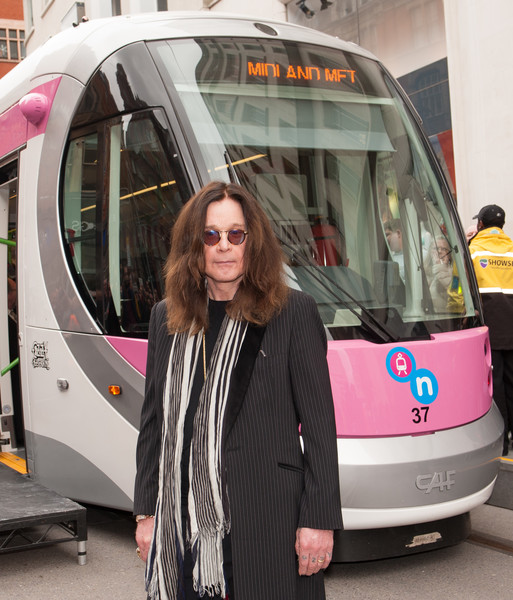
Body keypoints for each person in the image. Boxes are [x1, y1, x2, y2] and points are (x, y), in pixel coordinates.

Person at [133, 181, 342, 600]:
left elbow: (320, 428)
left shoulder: (292, 312)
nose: (224, 246)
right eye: (211, 235)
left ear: (252, 241)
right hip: (184, 522)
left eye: (236, 234)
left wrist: (318, 520)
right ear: (195, 246)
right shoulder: (166, 319)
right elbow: (154, 425)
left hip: (270, 517)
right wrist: (146, 512)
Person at [469, 204, 513, 455]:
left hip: (490, 327)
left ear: (481, 225)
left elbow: (457, 290)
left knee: (494, 384)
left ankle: (501, 443)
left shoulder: (474, 250)